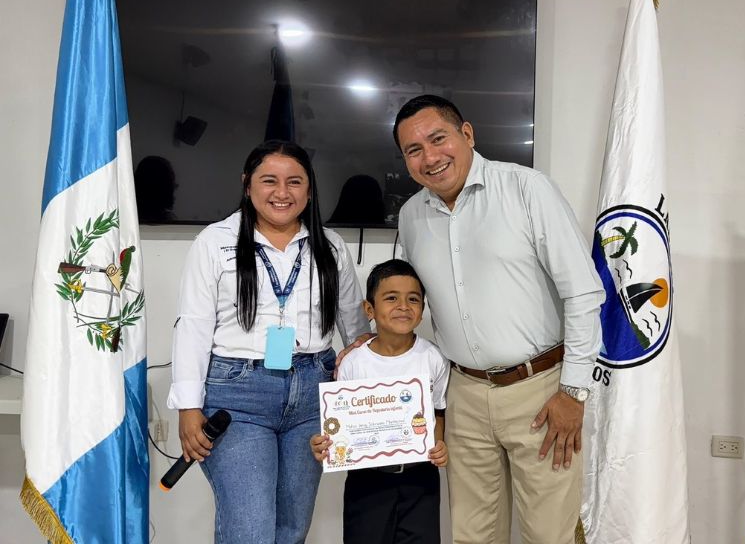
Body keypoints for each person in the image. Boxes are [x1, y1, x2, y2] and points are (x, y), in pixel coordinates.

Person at [393, 94, 603, 543]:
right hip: (463, 394)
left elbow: (583, 292)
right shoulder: (411, 216)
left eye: (438, 139)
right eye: (414, 150)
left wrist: (574, 392)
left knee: (549, 534)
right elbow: (406, 299)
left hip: (541, 392)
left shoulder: (527, 189)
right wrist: (372, 343)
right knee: (473, 535)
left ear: (467, 134)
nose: (429, 157)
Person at [167, 140, 371, 544]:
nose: (282, 192)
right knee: (251, 532)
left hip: (314, 394)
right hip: (238, 397)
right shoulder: (215, 241)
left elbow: (356, 331)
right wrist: (189, 407)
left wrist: (373, 403)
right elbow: (192, 327)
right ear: (247, 185)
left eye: (294, 181)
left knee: (291, 529)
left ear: (309, 189)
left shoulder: (330, 246)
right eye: (269, 181)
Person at [311, 259, 449, 544]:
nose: (403, 306)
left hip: (420, 479)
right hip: (367, 481)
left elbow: (438, 411)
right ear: (369, 309)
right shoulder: (353, 363)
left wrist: (439, 445)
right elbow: (339, 424)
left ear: (423, 309)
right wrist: (325, 443)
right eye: (391, 298)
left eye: (413, 299)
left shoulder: (433, 358)